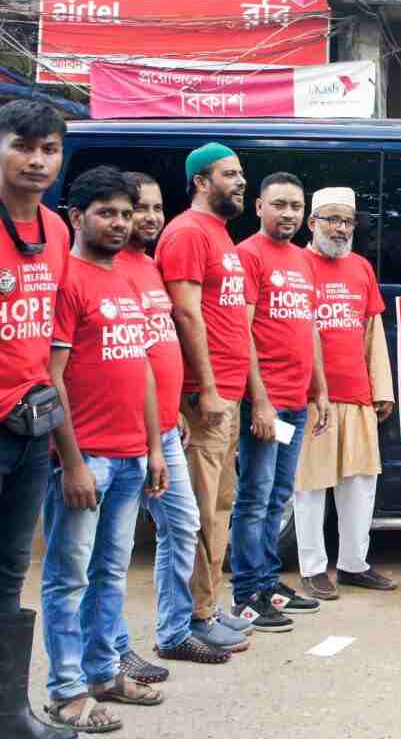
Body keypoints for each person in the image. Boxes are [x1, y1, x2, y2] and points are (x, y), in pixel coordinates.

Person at [41, 166, 168, 732]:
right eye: (107, 213)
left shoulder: (124, 279)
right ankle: (66, 692)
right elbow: (53, 378)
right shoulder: (66, 280)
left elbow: (139, 367)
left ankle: (103, 673)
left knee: (111, 573)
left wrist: (154, 449)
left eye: (125, 213)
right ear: (76, 217)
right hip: (84, 458)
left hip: (129, 456)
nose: (119, 224)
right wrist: (70, 462)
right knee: (69, 577)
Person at [111, 172, 243, 682]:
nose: (144, 219)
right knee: (108, 554)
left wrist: (172, 418)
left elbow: (156, 347)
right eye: (130, 210)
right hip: (123, 435)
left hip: (166, 427)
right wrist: (191, 403)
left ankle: (174, 630)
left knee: (184, 526)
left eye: (150, 208)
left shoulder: (147, 265)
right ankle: (110, 653)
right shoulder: (107, 268)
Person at [155, 143, 261, 645]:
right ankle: (195, 618)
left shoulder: (219, 234)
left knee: (220, 507)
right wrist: (209, 390)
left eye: (241, 173)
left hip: (228, 394)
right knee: (196, 511)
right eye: (230, 174)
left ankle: (209, 607)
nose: (242, 181)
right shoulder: (186, 233)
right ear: (201, 181)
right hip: (205, 397)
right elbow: (185, 314)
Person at [0, 100, 76, 739]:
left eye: (48, 148)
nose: (36, 160)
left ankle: (10, 715)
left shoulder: (55, 231)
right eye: (23, 145)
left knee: (10, 574)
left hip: (30, 426)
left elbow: (49, 336)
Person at [230, 173, 331, 629]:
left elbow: (308, 327)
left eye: (295, 205)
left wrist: (320, 389)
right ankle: (246, 594)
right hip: (265, 403)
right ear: (258, 207)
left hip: (295, 401)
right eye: (279, 204)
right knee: (253, 498)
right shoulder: (246, 256)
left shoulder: (303, 260)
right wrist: (260, 401)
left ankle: (269, 583)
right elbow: (242, 333)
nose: (287, 213)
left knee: (277, 498)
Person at [293, 187, 397, 599]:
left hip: (357, 395)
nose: (339, 228)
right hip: (310, 397)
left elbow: (373, 334)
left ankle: (354, 564)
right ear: (311, 222)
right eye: (331, 219)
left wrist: (382, 389)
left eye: (347, 221)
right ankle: (313, 568)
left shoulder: (360, 268)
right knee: (311, 485)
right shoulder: (294, 265)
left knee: (360, 483)